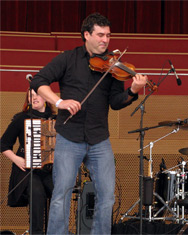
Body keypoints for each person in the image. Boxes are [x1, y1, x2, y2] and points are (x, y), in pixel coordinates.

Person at [30, 13, 148, 234]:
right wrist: (59, 101)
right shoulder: (68, 58)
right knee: (61, 194)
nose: (105, 40)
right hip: (69, 136)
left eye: (108, 36)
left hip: (99, 138)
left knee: (107, 196)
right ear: (87, 34)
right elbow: (39, 81)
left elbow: (115, 102)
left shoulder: (112, 67)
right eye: (100, 35)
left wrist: (132, 91)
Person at [1, 89, 55, 234]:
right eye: (31, 96)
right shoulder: (21, 119)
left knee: (59, 193)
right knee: (36, 193)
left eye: (37, 94)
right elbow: (3, 144)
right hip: (27, 171)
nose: (34, 98)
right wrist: (16, 159)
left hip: (50, 171)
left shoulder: (57, 120)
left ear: (46, 97)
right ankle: (36, 232)